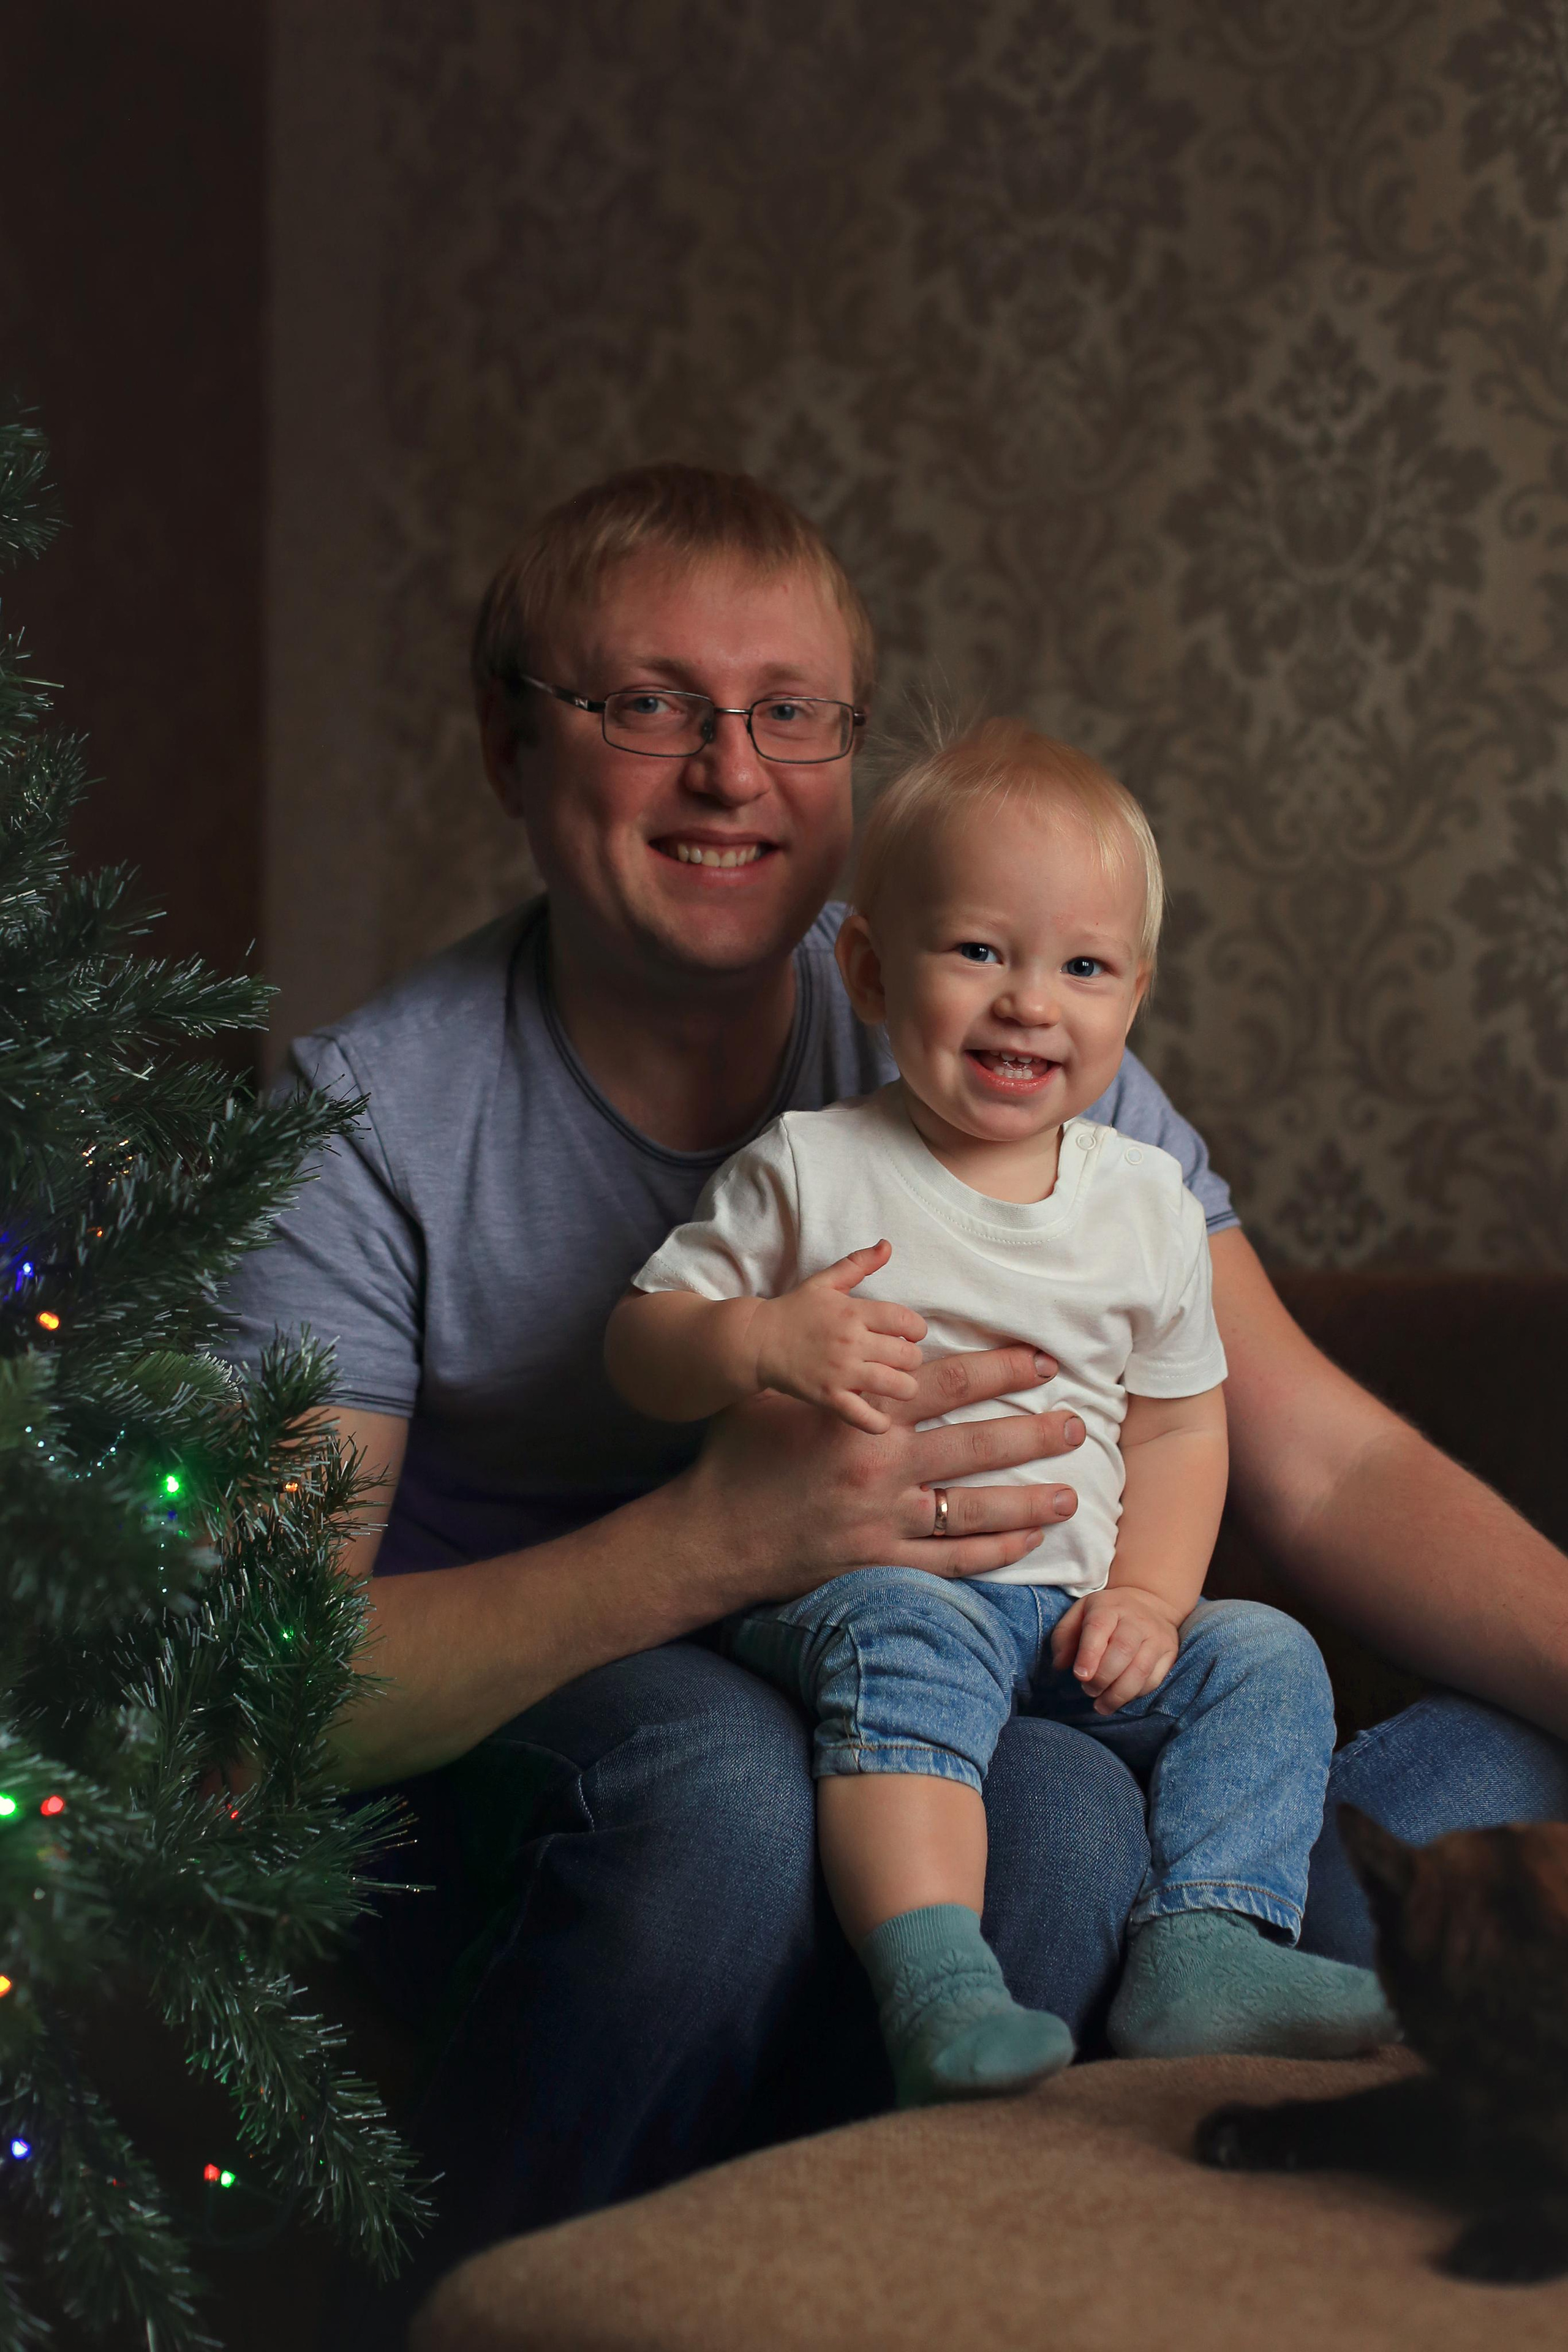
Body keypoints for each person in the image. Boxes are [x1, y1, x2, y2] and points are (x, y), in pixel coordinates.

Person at [221, 464, 1568, 2331]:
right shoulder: (370, 1125)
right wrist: (723, 1540)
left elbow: (1311, 1454)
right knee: (739, 1803)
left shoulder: (1007, 1038)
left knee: (1479, 1776)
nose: (730, 772)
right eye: (646, 705)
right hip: (617, 1711)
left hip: (1030, 1649)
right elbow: (254, 1698)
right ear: (506, 743)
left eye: (792, 713)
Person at [607, 717, 1393, 2105]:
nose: (1031, 1002)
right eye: (978, 952)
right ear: (866, 968)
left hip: (1073, 1619)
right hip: (860, 1583)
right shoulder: (811, 1171)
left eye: (1081, 968)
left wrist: (1149, 1597)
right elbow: (636, 1348)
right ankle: (936, 1986)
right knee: (905, 1635)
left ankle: (1205, 1944)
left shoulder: (1143, 1203)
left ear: (1131, 999)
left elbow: (1176, 1425)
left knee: (1264, 1655)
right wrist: (754, 1342)